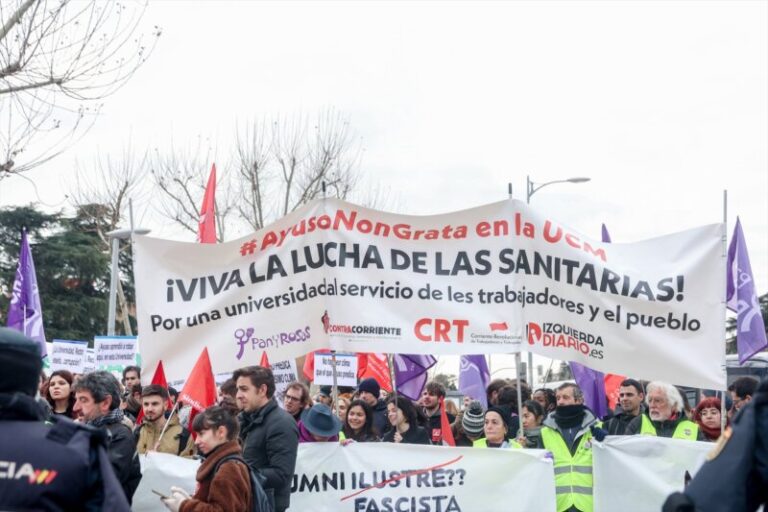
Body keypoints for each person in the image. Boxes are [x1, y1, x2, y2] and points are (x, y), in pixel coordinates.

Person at [0, 327, 130, 511]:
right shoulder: (77, 447)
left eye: (83, 400)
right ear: (34, 381)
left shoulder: (81, 443)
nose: (77, 407)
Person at [662, 377, 768, 512]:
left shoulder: (756, 416)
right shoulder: (758, 414)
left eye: (713, 412)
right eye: (704, 413)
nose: (709, 416)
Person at [161, 406, 253, 512]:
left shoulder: (228, 468)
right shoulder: (225, 463)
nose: (196, 441)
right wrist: (190, 501)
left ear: (221, 432)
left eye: (201, 434)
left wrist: (184, 506)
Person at [235, 365, 298, 512]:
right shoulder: (241, 419)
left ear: (262, 390)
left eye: (244, 389)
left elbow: (281, 474)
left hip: (266, 506)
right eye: (237, 389)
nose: (238, 395)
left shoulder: (282, 423)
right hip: (243, 503)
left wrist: (238, 474)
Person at [73, 370, 142, 504]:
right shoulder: (86, 430)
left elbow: (101, 482)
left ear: (105, 403)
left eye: (83, 400)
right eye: (76, 399)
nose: (76, 407)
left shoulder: (121, 435)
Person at [538, 383, 601, 512]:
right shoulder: (545, 432)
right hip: (559, 504)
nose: (560, 402)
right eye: (558, 398)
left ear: (579, 400)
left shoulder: (598, 428)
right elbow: (539, 470)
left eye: (565, 397)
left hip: (588, 504)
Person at [625, 381, 704, 440]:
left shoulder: (693, 429)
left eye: (658, 401)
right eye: (650, 400)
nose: (652, 405)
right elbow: (625, 452)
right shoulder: (638, 423)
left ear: (674, 405)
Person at [134, 384, 195, 456]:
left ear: (165, 405)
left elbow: (188, 462)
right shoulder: (137, 432)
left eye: (155, 404)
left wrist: (159, 460)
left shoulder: (183, 435)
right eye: (146, 404)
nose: (149, 409)